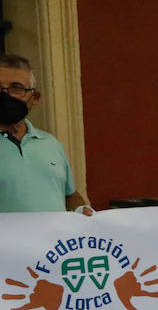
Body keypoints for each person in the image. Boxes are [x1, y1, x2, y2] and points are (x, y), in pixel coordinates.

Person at [0, 54, 92, 214]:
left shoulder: (51, 144)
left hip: (53, 239)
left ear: (35, 97)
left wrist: (81, 209)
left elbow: (69, 194)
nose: (5, 95)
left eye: (16, 88)